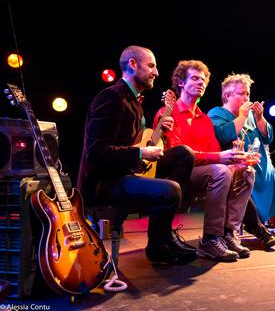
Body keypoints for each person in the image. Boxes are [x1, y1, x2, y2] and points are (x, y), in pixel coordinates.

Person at [77, 45, 198, 265]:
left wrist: (155, 136)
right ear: (133, 65)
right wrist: (142, 152)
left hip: (126, 172)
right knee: (171, 189)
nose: (156, 72)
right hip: (105, 182)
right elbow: (97, 153)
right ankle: (159, 246)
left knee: (183, 154)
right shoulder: (111, 98)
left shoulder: (135, 102)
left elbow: (130, 143)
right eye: (151, 66)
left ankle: (163, 235)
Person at [153, 60, 257, 262]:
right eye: (194, 78)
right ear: (180, 83)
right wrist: (219, 158)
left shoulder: (204, 119)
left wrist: (238, 161)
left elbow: (215, 153)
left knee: (246, 172)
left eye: (203, 79)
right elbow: (179, 155)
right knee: (221, 171)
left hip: (203, 174)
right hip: (177, 177)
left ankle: (228, 234)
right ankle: (210, 239)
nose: (200, 82)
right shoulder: (168, 113)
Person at [207, 73, 275, 246]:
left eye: (247, 94)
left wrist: (259, 118)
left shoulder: (251, 116)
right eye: (241, 93)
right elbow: (223, 135)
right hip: (237, 166)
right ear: (227, 95)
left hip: (261, 166)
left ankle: (266, 225)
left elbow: (268, 138)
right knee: (244, 177)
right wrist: (242, 116)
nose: (246, 97)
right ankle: (256, 228)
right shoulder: (216, 113)